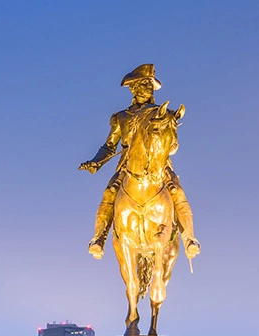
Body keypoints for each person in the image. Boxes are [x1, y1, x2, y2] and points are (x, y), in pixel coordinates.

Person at [79, 64, 200, 260]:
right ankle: (99, 238)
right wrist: (96, 162)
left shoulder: (163, 113)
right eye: (144, 84)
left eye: (150, 84)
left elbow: (173, 145)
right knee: (110, 192)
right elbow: (109, 146)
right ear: (134, 88)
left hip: (158, 164)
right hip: (128, 165)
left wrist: (166, 143)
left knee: (176, 190)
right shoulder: (121, 117)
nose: (149, 88)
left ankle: (189, 238)